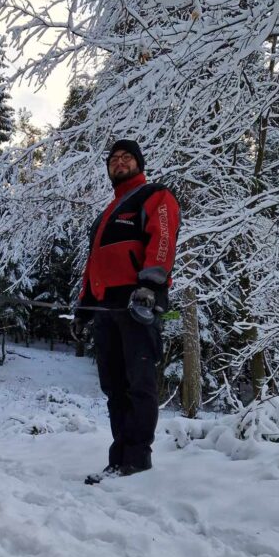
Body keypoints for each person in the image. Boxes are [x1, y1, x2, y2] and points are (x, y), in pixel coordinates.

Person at [75, 139, 180, 484]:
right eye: (114, 159)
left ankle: (137, 459)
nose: (119, 162)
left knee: (139, 384)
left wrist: (150, 287)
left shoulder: (154, 196)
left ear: (139, 163)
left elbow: (162, 241)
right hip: (105, 308)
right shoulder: (107, 213)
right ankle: (118, 458)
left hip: (139, 305)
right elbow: (94, 265)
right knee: (114, 387)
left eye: (127, 157)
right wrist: (83, 308)